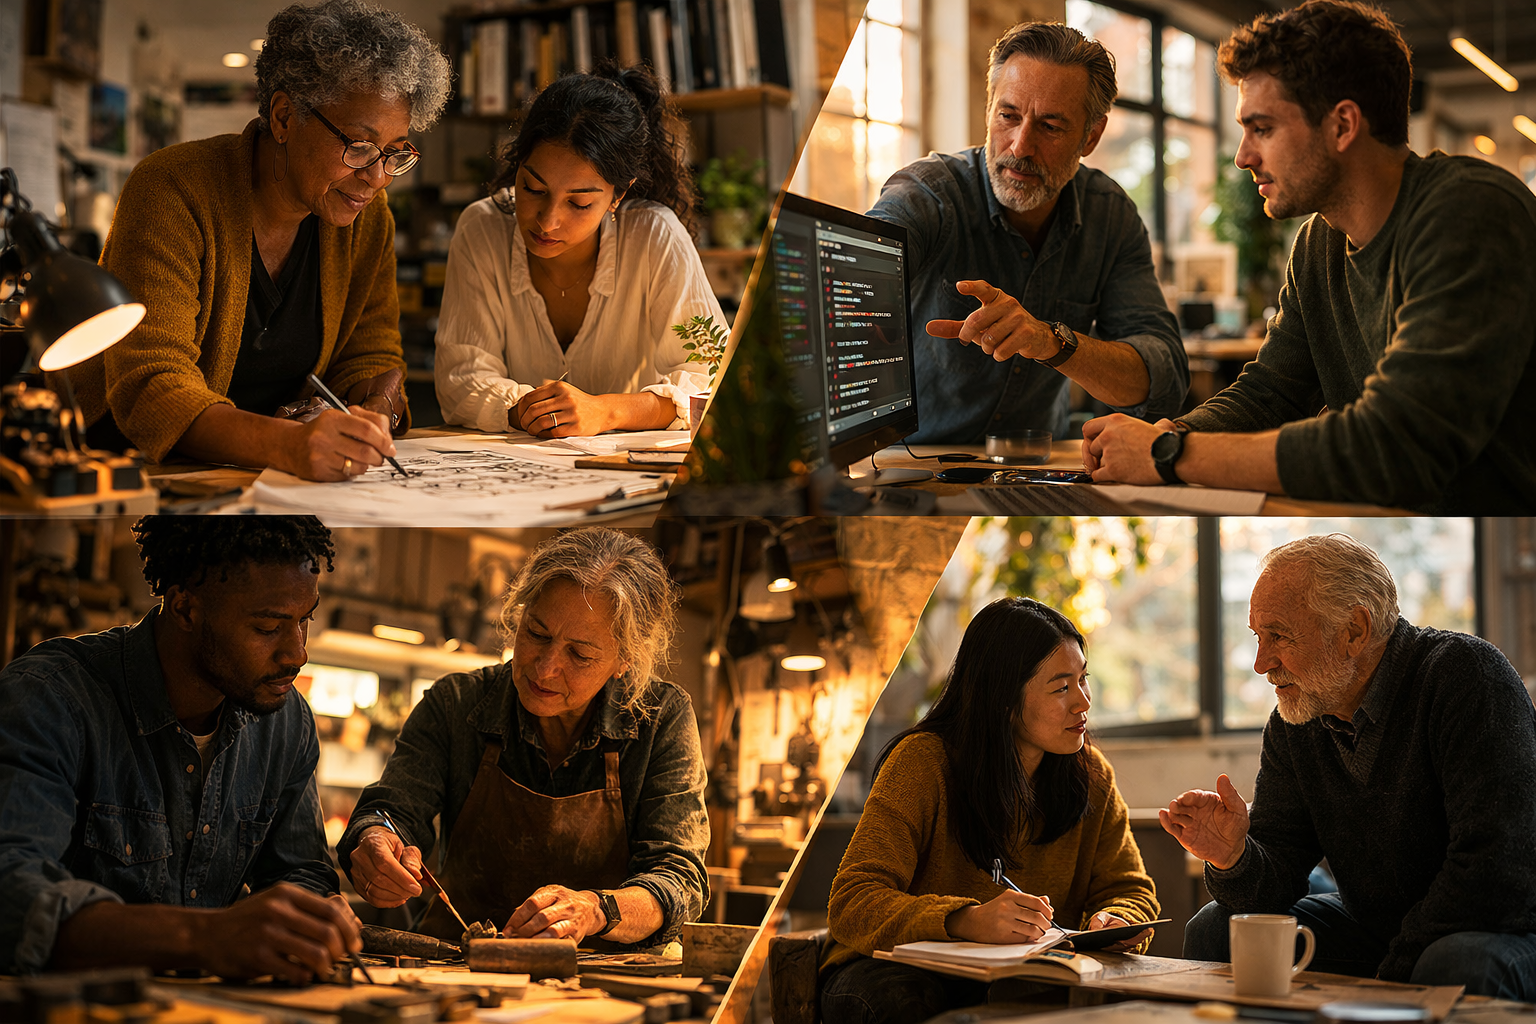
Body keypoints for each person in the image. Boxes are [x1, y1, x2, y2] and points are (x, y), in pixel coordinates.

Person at [1082, 0, 1536, 513]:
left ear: (1342, 125)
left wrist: (1168, 455)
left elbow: (1397, 448)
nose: (1243, 156)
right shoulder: (1319, 242)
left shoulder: (1470, 212)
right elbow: (1271, 395)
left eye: (1262, 129)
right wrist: (1167, 435)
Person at [72, 0, 453, 481]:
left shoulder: (367, 220)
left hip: (264, 479)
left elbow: (369, 353)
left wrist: (376, 406)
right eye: (358, 146)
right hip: (129, 476)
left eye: (395, 153)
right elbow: (151, 385)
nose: (377, 178)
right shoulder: (172, 189)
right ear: (284, 117)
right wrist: (286, 444)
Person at [1162, 534, 1536, 998]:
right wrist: (1233, 857)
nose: (1261, 664)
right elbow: (1276, 878)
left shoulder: (1466, 674)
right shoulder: (1296, 720)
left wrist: (1391, 973)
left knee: (1454, 963)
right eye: (1258, 637)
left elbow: (1496, 871)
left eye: (1279, 635)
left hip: (1504, 925)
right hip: (1384, 933)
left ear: (1355, 630)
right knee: (1217, 930)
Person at [0, 517, 360, 978]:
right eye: (268, 627)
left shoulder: (286, 723)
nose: (297, 653)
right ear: (185, 609)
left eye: (305, 620)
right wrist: (202, 938)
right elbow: (11, 892)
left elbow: (300, 872)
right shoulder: (49, 698)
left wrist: (309, 921)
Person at [337, 528, 709, 950]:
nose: (545, 667)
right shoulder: (456, 705)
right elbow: (392, 811)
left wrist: (595, 910)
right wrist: (376, 838)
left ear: (625, 660)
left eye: (580, 654)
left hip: (602, 977)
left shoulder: (660, 719)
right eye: (537, 633)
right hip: (458, 967)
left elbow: (678, 878)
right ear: (520, 614)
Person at [821, 598, 1159, 1024]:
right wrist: (965, 920)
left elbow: (1131, 889)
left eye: (1083, 679)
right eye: (1061, 688)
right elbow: (852, 901)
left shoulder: (1092, 775)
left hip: (1020, 974)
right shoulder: (922, 762)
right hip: (892, 971)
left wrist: (1117, 920)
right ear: (1003, 699)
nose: (1083, 702)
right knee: (908, 1001)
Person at [865, 22, 1186, 446]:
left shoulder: (1109, 216)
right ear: (989, 110)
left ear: (1091, 136)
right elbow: (852, 283)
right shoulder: (928, 195)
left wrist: (1052, 342)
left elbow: (1164, 379)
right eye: (1008, 116)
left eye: (1050, 126)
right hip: (912, 466)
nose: (1019, 146)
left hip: (1036, 467)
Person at [434, 63, 722, 438]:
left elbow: (710, 379)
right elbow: (460, 378)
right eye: (533, 189)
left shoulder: (655, 235)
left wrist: (606, 411)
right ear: (517, 164)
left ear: (618, 195)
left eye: (579, 203)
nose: (547, 221)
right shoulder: (482, 229)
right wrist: (530, 411)